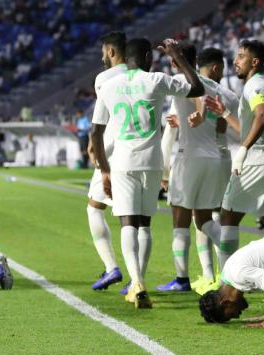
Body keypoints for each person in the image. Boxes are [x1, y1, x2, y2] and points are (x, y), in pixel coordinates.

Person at [91, 37, 204, 309]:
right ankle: (136, 282)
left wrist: (104, 171)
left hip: (122, 163)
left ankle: (137, 281)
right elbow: (196, 87)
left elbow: (96, 132)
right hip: (152, 161)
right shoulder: (156, 80)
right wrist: (178, 56)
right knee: (144, 224)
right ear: (144, 56)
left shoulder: (108, 86)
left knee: (127, 222)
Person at [157, 44, 239, 292]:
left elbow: (198, 97)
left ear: (177, 62)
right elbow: (222, 130)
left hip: (190, 157)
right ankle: (232, 265)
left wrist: (164, 170)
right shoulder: (228, 94)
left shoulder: (182, 80)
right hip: (216, 157)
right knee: (205, 220)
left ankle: (181, 279)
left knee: (180, 220)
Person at [204, 39, 264, 271]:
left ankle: (228, 281)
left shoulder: (254, 86)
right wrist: (226, 113)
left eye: (241, 56)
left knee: (228, 217)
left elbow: (262, 116)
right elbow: (249, 127)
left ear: (255, 61)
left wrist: (243, 150)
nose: (235, 61)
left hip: (256, 159)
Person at [86, 31, 128, 291]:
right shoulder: (140, 75)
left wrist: (94, 148)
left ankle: (112, 267)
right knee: (134, 217)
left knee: (95, 207)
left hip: (111, 150)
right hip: (139, 151)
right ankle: (137, 278)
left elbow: (99, 123)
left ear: (111, 51)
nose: (102, 56)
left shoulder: (104, 78)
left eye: (103, 51)